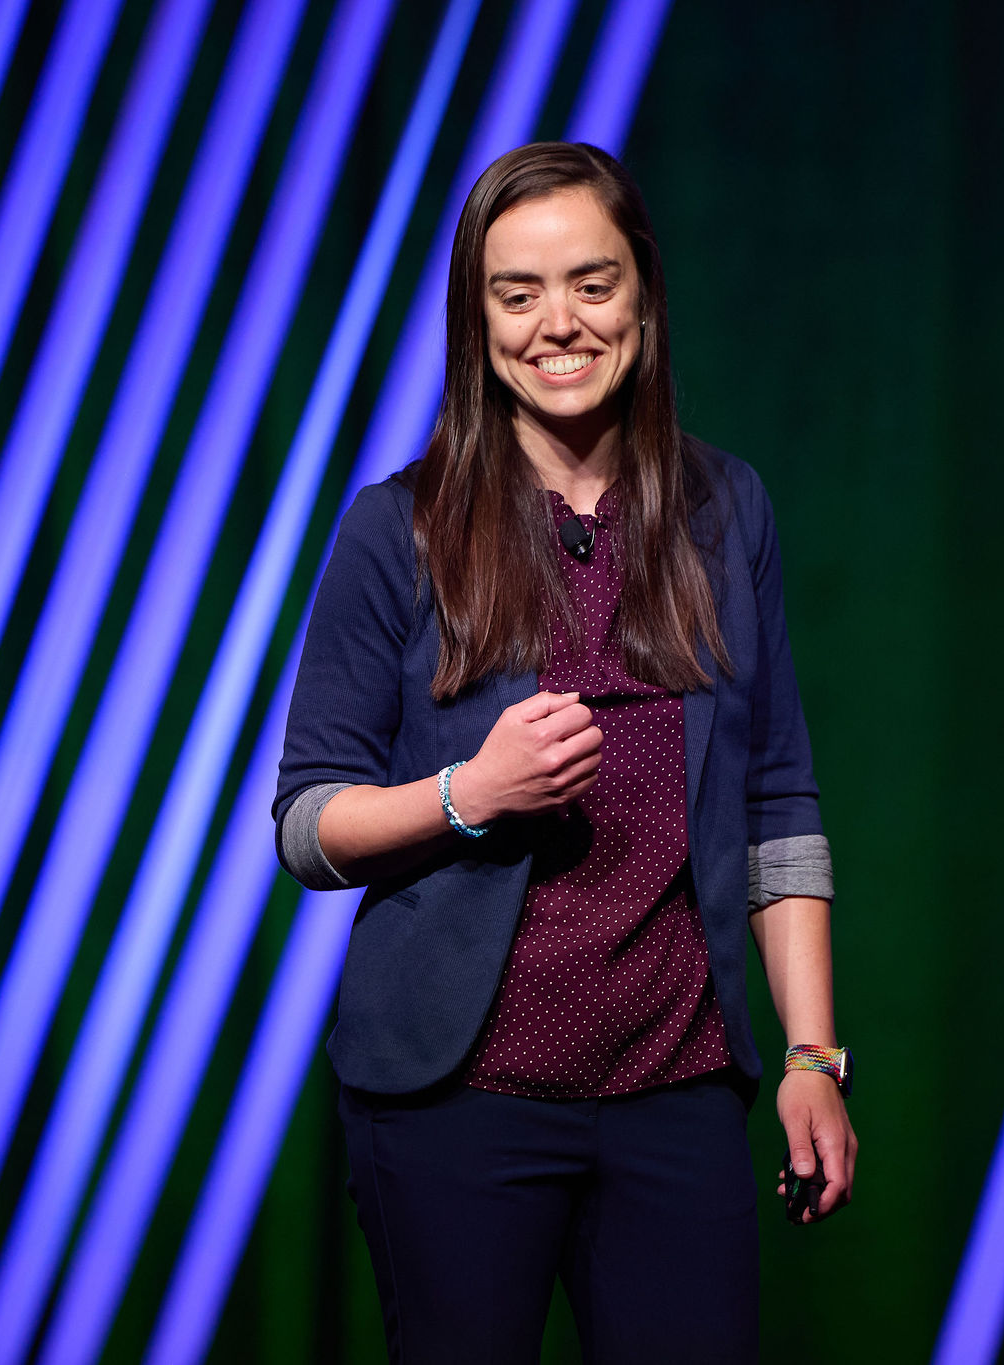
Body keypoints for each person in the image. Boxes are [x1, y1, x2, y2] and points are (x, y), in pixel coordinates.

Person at [274, 140, 856, 1364]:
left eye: (590, 284)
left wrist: (812, 1055)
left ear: (640, 293)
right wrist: (469, 794)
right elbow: (307, 823)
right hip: (455, 1101)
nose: (558, 324)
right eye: (516, 292)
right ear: (473, 316)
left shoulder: (723, 510)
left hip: (673, 1090)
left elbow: (777, 801)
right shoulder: (400, 528)